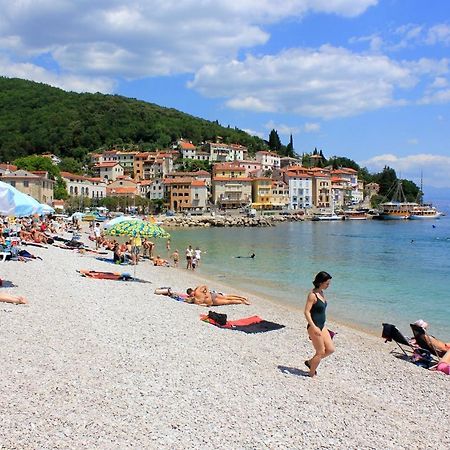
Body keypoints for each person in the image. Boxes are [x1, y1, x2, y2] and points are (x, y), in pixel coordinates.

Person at [304, 271, 335, 377]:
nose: (328, 285)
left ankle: (310, 362)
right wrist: (314, 327)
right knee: (320, 351)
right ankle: (311, 374)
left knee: (330, 349)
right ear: (320, 282)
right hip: (314, 327)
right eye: (327, 283)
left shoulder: (321, 293)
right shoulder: (312, 295)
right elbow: (306, 312)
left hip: (322, 326)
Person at [186, 285, 250, 306]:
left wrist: (207, 292)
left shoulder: (197, 291)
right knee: (228, 301)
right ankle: (242, 301)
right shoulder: (195, 300)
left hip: (212, 295)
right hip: (214, 301)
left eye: (192, 293)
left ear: (192, 291)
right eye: (191, 295)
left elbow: (205, 286)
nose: (192, 295)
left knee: (226, 297)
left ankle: (242, 298)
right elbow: (203, 304)